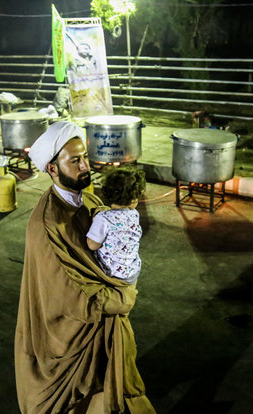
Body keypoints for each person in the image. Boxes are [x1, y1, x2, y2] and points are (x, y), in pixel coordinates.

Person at [14, 121, 155, 414]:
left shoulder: (89, 200)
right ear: (52, 168)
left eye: (85, 157)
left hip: (102, 325)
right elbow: (65, 293)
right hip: (70, 337)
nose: (84, 166)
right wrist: (121, 298)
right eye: (74, 160)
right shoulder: (45, 224)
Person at [86, 167, 146, 285]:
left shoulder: (103, 218)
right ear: (133, 200)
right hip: (133, 272)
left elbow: (92, 245)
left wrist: (94, 222)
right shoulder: (135, 214)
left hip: (113, 274)